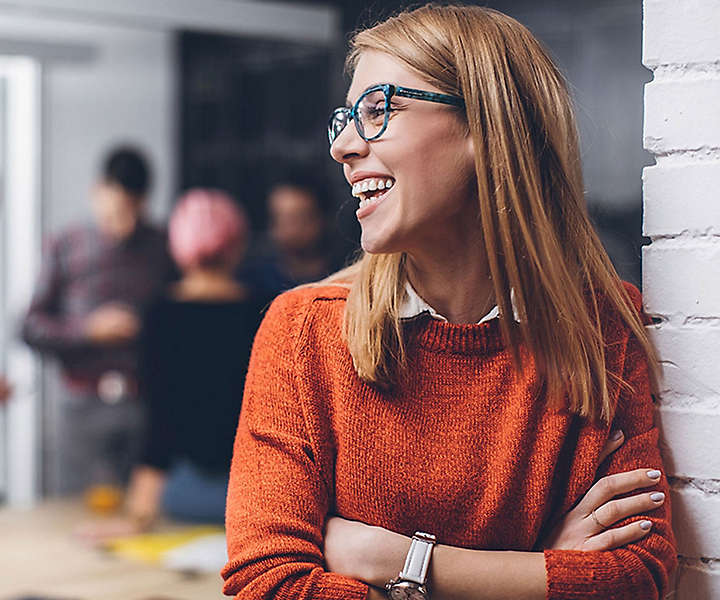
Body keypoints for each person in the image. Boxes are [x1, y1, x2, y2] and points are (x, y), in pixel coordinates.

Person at [221, 5, 676, 600]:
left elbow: (637, 577)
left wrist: (400, 562)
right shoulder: (305, 331)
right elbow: (267, 582)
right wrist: (538, 569)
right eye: (347, 119)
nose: (344, 147)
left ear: (485, 128)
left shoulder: (604, 327)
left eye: (380, 110)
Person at [78, 189, 265, 540]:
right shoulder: (265, 311)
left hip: (184, 494)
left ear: (178, 244)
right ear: (237, 242)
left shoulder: (161, 316)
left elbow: (159, 420)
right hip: (255, 495)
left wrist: (138, 515)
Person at [21, 146, 176, 495]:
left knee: (143, 517)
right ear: (97, 191)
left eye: (135, 210)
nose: (126, 224)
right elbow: (30, 326)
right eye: (118, 209)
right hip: (80, 404)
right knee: (73, 511)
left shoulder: (161, 245)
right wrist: (87, 330)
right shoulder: (65, 244)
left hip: (143, 402)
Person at [241, 171, 347, 298]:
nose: (289, 230)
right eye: (279, 219)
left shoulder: (344, 279)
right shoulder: (254, 283)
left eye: (299, 219)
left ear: (324, 219)